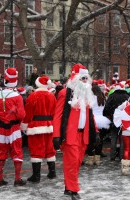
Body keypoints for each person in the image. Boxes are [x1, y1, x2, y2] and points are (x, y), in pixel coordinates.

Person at [52, 64, 97, 200]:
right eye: (82, 78)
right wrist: (56, 135)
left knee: (77, 162)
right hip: (70, 135)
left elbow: (90, 115)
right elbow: (58, 115)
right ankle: (73, 189)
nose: (85, 81)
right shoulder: (64, 94)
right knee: (71, 162)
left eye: (86, 78)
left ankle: (68, 186)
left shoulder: (87, 94)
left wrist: (95, 131)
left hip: (83, 135)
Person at [0, 68, 26, 187]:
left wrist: (2, 118)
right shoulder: (17, 96)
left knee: (0, 151)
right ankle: (17, 179)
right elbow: (21, 115)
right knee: (16, 152)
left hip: (0, 128)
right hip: (14, 128)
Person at [21, 76, 57, 183]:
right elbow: (54, 112)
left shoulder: (33, 96)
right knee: (49, 148)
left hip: (35, 126)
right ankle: (52, 172)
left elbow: (28, 113)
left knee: (36, 149)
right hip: (49, 125)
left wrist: (24, 125)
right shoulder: (52, 96)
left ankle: (36, 176)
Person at [103, 83, 129, 161]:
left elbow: (106, 109)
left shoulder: (112, 96)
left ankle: (112, 155)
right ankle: (121, 155)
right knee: (122, 138)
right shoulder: (127, 96)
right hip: (123, 120)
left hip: (114, 119)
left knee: (113, 138)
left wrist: (110, 116)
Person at [85, 84, 110, 166]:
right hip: (102, 120)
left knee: (90, 140)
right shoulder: (102, 98)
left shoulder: (90, 98)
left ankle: (90, 158)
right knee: (100, 140)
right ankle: (97, 159)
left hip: (92, 119)